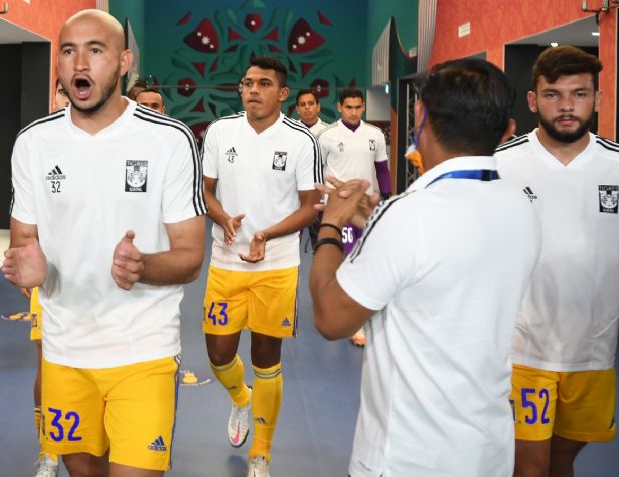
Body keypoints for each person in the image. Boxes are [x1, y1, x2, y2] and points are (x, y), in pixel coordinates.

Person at [310, 58, 540, 476]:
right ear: (508, 131)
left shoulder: (409, 215)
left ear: (420, 118)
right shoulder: (522, 206)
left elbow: (331, 318)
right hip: (486, 451)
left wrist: (331, 224)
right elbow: (443, 261)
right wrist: (378, 222)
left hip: (408, 455)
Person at [3, 10, 205, 477]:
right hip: (65, 350)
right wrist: (28, 268)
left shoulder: (169, 140)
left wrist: (143, 267)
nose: (80, 63)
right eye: (69, 50)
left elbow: (191, 256)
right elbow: (25, 239)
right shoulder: (33, 143)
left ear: (123, 62)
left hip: (144, 349)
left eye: (95, 50)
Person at [495, 45, 619, 477]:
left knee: (562, 459)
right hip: (521, 349)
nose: (566, 107)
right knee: (530, 465)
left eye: (579, 95)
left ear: (597, 99)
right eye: (553, 95)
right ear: (532, 100)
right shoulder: (503, 164)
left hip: (594, 350)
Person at [201, 56, 322, 477]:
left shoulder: (301, 141)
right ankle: (241, 400)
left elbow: (310, 207)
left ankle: (262, 452)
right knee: (218, 354)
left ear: (282, 93)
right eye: (247, 83)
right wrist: (222, 218)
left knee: (266, 358)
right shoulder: (220, 132)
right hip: (225, 262)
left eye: (264, 83)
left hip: (277, 266)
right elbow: (207, 192)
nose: (252, 90)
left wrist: (266, 235)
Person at [316, 86, 391, 347]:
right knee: (344, 259)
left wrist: (387, 200)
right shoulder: (326, 136)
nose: (354, 112)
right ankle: (350, 320)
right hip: (339, 208)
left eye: (358, 107)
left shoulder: (375, 135)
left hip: (367, 208)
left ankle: (368, 314)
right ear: (339, 107)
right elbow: (318, 173)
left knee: (367, 260)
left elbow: (382, 169)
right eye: (349, 107)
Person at [28, 78, 72, 477]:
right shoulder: (37, 144)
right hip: (50, 279)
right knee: (47, 365)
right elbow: (25, 216)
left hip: (102, 282)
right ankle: (48, 449)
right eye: (58, 90)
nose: (65, 96)